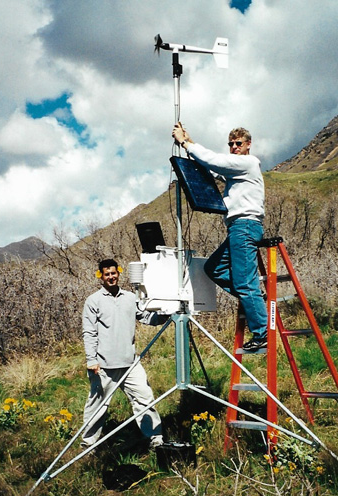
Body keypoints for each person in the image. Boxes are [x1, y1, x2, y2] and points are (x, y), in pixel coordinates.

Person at [172, 123, 267, 352]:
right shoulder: (237, 171)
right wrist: (189, 143)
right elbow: (212, 168)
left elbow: (215, 161)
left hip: (244, 225)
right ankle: (254, 300)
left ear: (248, 145)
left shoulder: (248, 163)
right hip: (237, 227)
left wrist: (185, 143)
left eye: (238, 144)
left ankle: (262, 333)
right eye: (231, 144)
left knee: (245, 283)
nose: (234, 147)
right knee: (214, 268)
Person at [81, 258, 164, 449]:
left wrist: (166, 315)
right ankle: (88, 443)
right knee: (97, 406)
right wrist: (91, 360)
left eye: (113, 273)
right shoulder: (93, 301)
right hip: (104, 366)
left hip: (130, 363)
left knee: (144, 397)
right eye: (106, 274)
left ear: (119, 273)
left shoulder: (130, 297)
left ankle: (155, 439)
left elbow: (145, 317)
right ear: (100, 276)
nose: (111, 277)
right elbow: (89, 332)